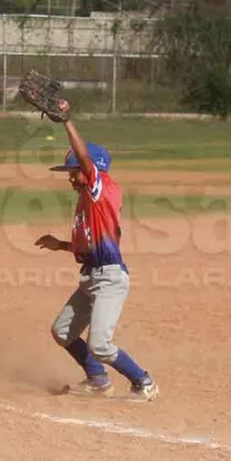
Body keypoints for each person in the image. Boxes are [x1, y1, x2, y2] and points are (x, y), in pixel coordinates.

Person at [35, 99, 159, 402]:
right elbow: (85, 248)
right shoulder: (86, 205)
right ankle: (98, 380)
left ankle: (143, 382)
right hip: (91, 278)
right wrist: (60, 245)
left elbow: (86, 162)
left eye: (74, 171)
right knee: (62, 331)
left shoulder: (101, 188)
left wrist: (66, 121)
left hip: (110, 279)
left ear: (91, 171)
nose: (70, 177)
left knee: (100, 344)